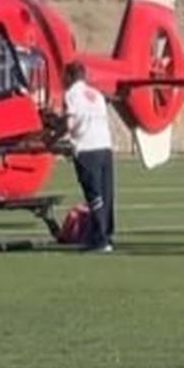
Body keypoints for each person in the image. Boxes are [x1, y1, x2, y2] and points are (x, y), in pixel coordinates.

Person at [63, 62, 115, 252]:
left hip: (86, 148)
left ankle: (100, 239)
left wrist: (53, 137)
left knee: (93, 195)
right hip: (105, 147)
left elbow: (70, 123)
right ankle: (106, 234)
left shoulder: (71, 95)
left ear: (69, 76)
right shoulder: (97, 95)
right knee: (106, 193)